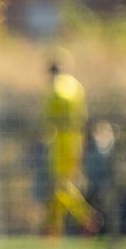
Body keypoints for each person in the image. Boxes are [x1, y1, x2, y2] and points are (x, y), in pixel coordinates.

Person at [41, 52, 100, 236]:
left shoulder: (55, 89)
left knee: (61, 186)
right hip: (76, 139)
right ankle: (53, 229)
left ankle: (87, 216)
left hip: (59, 141)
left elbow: (49, 119)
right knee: (62, 186)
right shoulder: (76, 86)